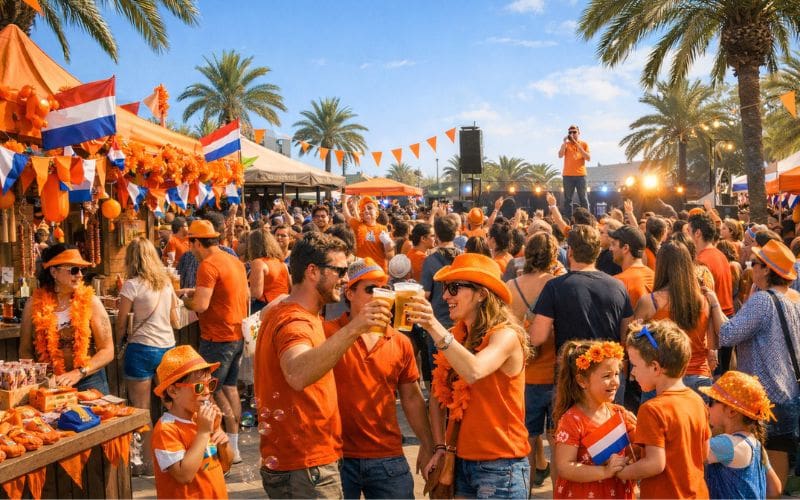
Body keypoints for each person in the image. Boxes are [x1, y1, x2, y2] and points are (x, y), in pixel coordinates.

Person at [255, 232, 392, 498]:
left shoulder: (291, 311)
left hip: (302, 462)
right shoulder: (295, 321)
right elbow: (297, 372)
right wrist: (355, 328)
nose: (345, 279)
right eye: (339, 271)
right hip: (306, 465)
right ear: (312, 271)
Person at [410, 253, 531, 499]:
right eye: (445, 288)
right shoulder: (458, 336)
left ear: (481, 294)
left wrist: (432, 325)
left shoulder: (505, 335)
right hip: (460, 461)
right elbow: (438, 396)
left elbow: (475, 370)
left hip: (500, 466)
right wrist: (440, 446)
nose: (445, 296)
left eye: (454, 288)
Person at [323, 258, 433, 499]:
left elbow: (412, 398)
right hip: (336, 456)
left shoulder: (400, 341)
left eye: (384, 289)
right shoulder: (326, 332)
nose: (379, 295)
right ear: (349, 293)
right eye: (370, 289)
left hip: (387, 457)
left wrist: (428, 445)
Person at [715, 239, 800, 488]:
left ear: (766, 270)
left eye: (755, 263)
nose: (751, 268)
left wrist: (713, 303)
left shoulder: (763, 301)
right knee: (776, 481)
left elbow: (727, 334)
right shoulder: (794, 301)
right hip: (788, 396)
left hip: (761, 397)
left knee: (754, 475)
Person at [181, 219, 248, 464]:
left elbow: (201, 305)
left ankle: (225, 448)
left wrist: (184, 301)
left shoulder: (207, 265)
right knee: (229, 388)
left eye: (191, 244)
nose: (190, 249)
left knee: (210, 391)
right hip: (236, 333)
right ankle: (234, 447)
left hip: (217, 337)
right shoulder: (233, 260)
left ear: (197, 243)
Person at [617, 321, 710, 498]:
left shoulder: (651, 409)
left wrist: (620, 472)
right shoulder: (697, 401)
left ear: (655, 368)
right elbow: (704, 453)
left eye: (635, 365)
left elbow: (654, 464)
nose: (632, 373)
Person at [116, 237, 181, 476]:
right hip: (167, 348)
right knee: (173, 405)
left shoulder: (131, 285)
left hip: (141, 349)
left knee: (141, 410)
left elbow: (121, 321)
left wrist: (118, 342)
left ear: (131, 259)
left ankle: (147, 463)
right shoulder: (166, 283)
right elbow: (175, 319)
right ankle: (174, 452)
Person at [20, 245, 113, 393]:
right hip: (51, 382)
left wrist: (79, 372)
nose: (80, 275)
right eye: (74, 270)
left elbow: (108, 350)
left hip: (88, 379)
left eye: (82, 270)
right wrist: (41, 376)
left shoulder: (91, 302)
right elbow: (25, 351)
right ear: (54, 272)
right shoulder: (32, 305)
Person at [507, 233, 560, 488]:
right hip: (556, 373)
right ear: (554, 255)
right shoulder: (558, 284)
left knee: (525, 440)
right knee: (558, 441)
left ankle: (524, 490)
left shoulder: (511, 286)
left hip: (523, 373)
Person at [530, 225, 633, 358]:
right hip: (608, 365)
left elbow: (537, 337)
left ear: (570, 251)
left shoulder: (554, 287)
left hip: (571, 366)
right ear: (598, 252)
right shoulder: (618, 286)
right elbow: (626, 335)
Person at [551, 340, 635, 499]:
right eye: (607, 376)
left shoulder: (619, 413)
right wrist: (605, 471)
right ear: (582, 381)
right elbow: (564, 466)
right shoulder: (572, 420)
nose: (615, 382)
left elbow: (636, 449)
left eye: (617, 374)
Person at [151, 345, 232, 499]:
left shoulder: (202, 420)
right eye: (199, 386)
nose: (207, 392)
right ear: (173, 391)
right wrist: (203, 432)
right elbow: (183, 476)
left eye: (210, 384)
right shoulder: (166, 430)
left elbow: (226, 465)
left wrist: (221, 438)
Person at [635, 242, 715, 395]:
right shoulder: (704, 301)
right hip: (699, 376)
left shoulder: (650, 302)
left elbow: (635, 342)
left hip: (662, 379)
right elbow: (711, 343)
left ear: (661, 266)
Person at [700, 371, 782, 499]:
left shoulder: (725, 444)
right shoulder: (757, 445)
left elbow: (685, 454)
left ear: (732, 412)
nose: (707, 406)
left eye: (711, 401)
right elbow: (775, 489)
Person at [343, 195, 394, 270]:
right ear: (362, 214)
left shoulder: (383, 229)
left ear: (376, 212)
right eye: (363, 209)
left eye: (369, 208)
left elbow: (389, 254)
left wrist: (388, 244)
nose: (366, 211)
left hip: (378, 270)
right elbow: (347, 216)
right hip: (362, 270)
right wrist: (344, 202)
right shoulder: (358, 225)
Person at [609, 225, 654, 308]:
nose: (610, 248)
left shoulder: (617, 282)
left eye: (613, 244)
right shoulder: (655, 277)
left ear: (625, 248)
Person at [247, 229, 290, 314]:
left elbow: (256, 293)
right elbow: (289, 287)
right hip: (283, 306)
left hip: (266, 307)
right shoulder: (282, 263)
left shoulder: (258, 263)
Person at [558, 125, 590, 219]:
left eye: (574, 132)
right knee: (568, 200)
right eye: (570, 132)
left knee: (583, 198)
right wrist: (564, 143)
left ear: (578, 133)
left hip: (581, 176)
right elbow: (560, 155)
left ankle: (587, 220)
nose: (572, 134)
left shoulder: (584, 144)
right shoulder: (566, 145)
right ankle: (568, 220)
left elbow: (588, 158)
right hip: (567, 176)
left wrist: (576, 142)